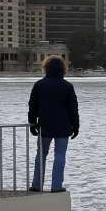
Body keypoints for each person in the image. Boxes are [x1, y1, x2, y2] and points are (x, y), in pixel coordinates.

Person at [28, 55, 79, 192]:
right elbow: (73, 108)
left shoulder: (39, 85)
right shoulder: (67, 86)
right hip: (63, 126)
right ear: (63, 69)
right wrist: (76, 126)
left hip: (44, 125)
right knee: (60, 155)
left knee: (41, 155)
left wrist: (32, 123)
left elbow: (32, 106)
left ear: (46, 68)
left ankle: (37, 185)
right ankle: (56, 186)